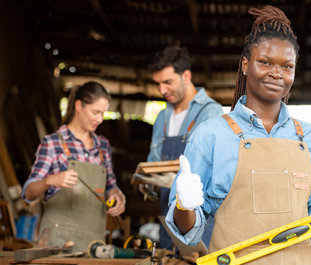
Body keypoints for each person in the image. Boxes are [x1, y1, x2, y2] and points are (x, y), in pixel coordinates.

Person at [165, 6, 311, 265]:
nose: (276, 73)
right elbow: (185, 228)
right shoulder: (211, 135)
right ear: (244, 64)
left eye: (287, 66)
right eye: (265, 62)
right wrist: (184, 205)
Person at [22, 81, 126, 253]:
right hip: (57, 245)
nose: (100, 119)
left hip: (93, 245)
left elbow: (110, 186)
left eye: (103, 113)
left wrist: (117, 195)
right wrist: (49, 181)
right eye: (95, 112)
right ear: (79, 106)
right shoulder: (52, 144)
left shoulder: (102, 146)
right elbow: (28, 193)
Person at [145, 45, 223, 250]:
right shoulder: (162, 117)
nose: (162, 90)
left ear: (186, 76)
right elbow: (153, 164)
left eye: (168, 82)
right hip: (167, 220)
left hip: (199, 224)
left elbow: (218, 174)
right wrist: (148, 182)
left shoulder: (210, 112)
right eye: (158, 84)